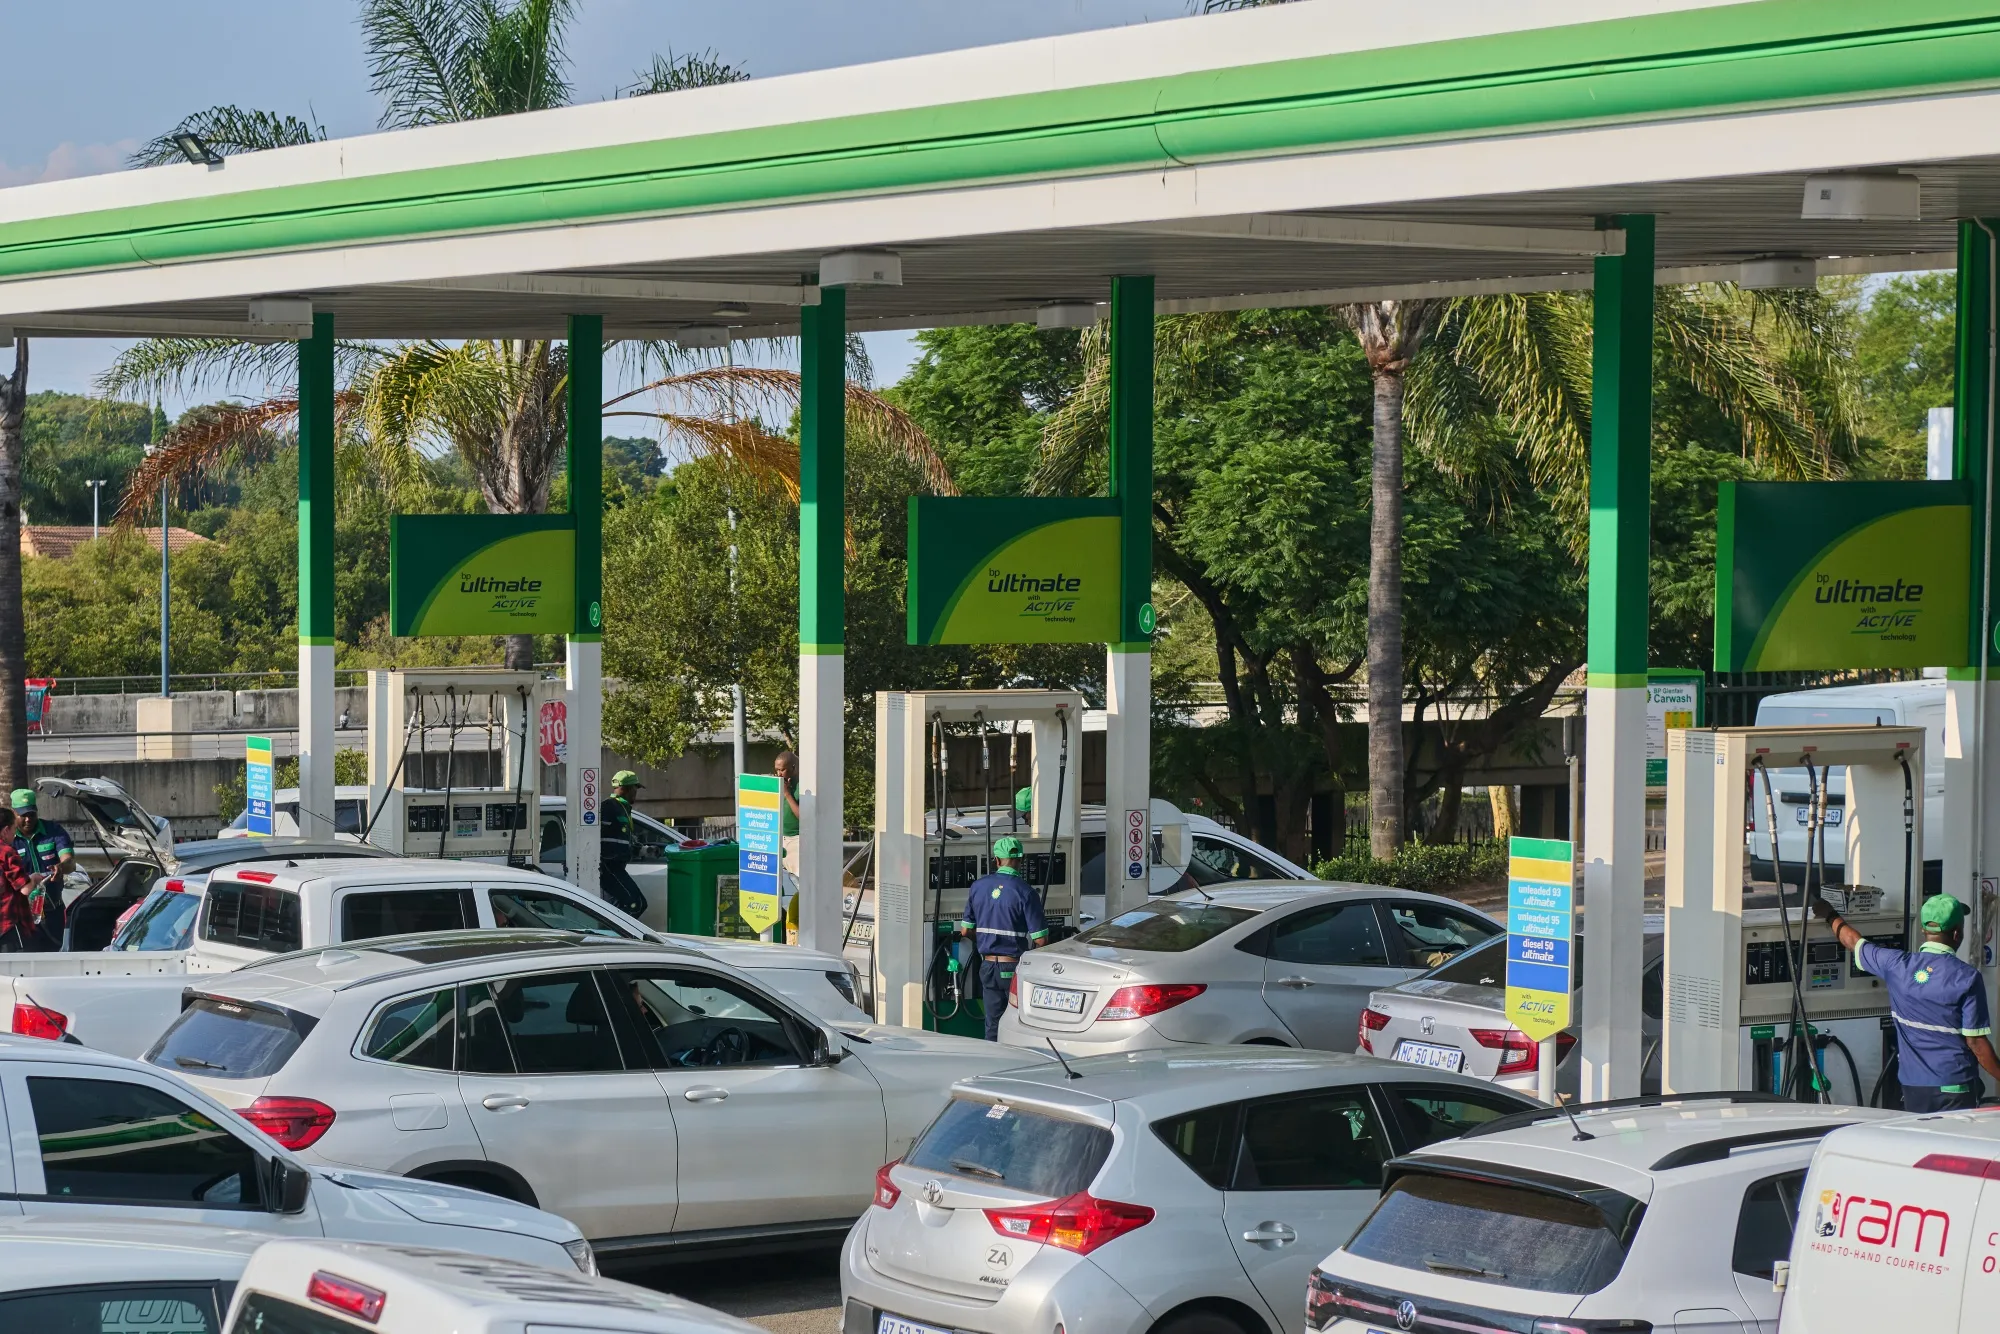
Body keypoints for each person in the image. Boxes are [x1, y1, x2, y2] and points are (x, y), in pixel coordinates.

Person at [1813, 892, 2000, 1112]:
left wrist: (1829, 914)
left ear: (1923, 930)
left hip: (1913, 1086)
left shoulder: (1895, 965)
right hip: (1954, 1086)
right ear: (1958, 933)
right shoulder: (1967, 977)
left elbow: (1852, 941)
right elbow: (1976, 1044)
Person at [958, 835, 1049, 1041]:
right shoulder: (1026, 892)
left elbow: (965, 931)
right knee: (1020, 1023)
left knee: (993, 1023)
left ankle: (994, 1064)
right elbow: (1041, 940)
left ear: (997, 860)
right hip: (1014, 968)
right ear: (1020, 861)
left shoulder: (977, 887)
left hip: (988, 967)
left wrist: (983, 941)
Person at [11, 789, 73, 950]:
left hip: (53, 912)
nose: (27, 819)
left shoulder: (53, 830)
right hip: (22, 915)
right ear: (13, 813)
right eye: (22, 815)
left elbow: (69, 861)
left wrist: (61, 867)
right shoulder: (8, 838)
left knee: (55, 958)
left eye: (31, 814)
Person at [599, 771, 648, 919]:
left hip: (618, 866)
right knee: (636, 904)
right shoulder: (609, 806)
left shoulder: (623, 809)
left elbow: (619, 840)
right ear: (626, 788)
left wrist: (641, 850)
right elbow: (594, 834)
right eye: (635, 788)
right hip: (608, 866)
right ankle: (619, 937)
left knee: (617, 909)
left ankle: (612, 938)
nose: (636, 792)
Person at [0, 808, 47, 953]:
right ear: (6, 830)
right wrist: (34, 878)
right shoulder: (7, 851)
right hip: (8, 924)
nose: (15, 834)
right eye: (14, 829)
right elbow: (25, 889)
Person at [775, 752, 802, 943]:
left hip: (797, 840)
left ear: (793, 768)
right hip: (779, 839)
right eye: (776, 770)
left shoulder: (800, 786)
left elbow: (803, 815)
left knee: (801, 883)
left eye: (782, 769)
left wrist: (786, 793)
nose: (779, 774)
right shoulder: (778, 783)